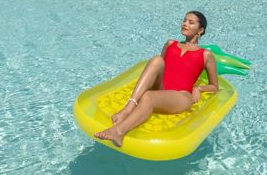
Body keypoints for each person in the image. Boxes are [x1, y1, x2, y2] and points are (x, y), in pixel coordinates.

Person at [94, 11, 219, 148]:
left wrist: (199, 88)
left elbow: (214, 86)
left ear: (200, 30)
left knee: (148, 96)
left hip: (181, 96)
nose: (185, 24)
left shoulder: (206, 55)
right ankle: (128, 109)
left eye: (191, 22)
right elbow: (160, 69)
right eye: (184, 20)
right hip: (162, 88)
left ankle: (118, 131)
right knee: (156, 60)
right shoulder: (170, 43)